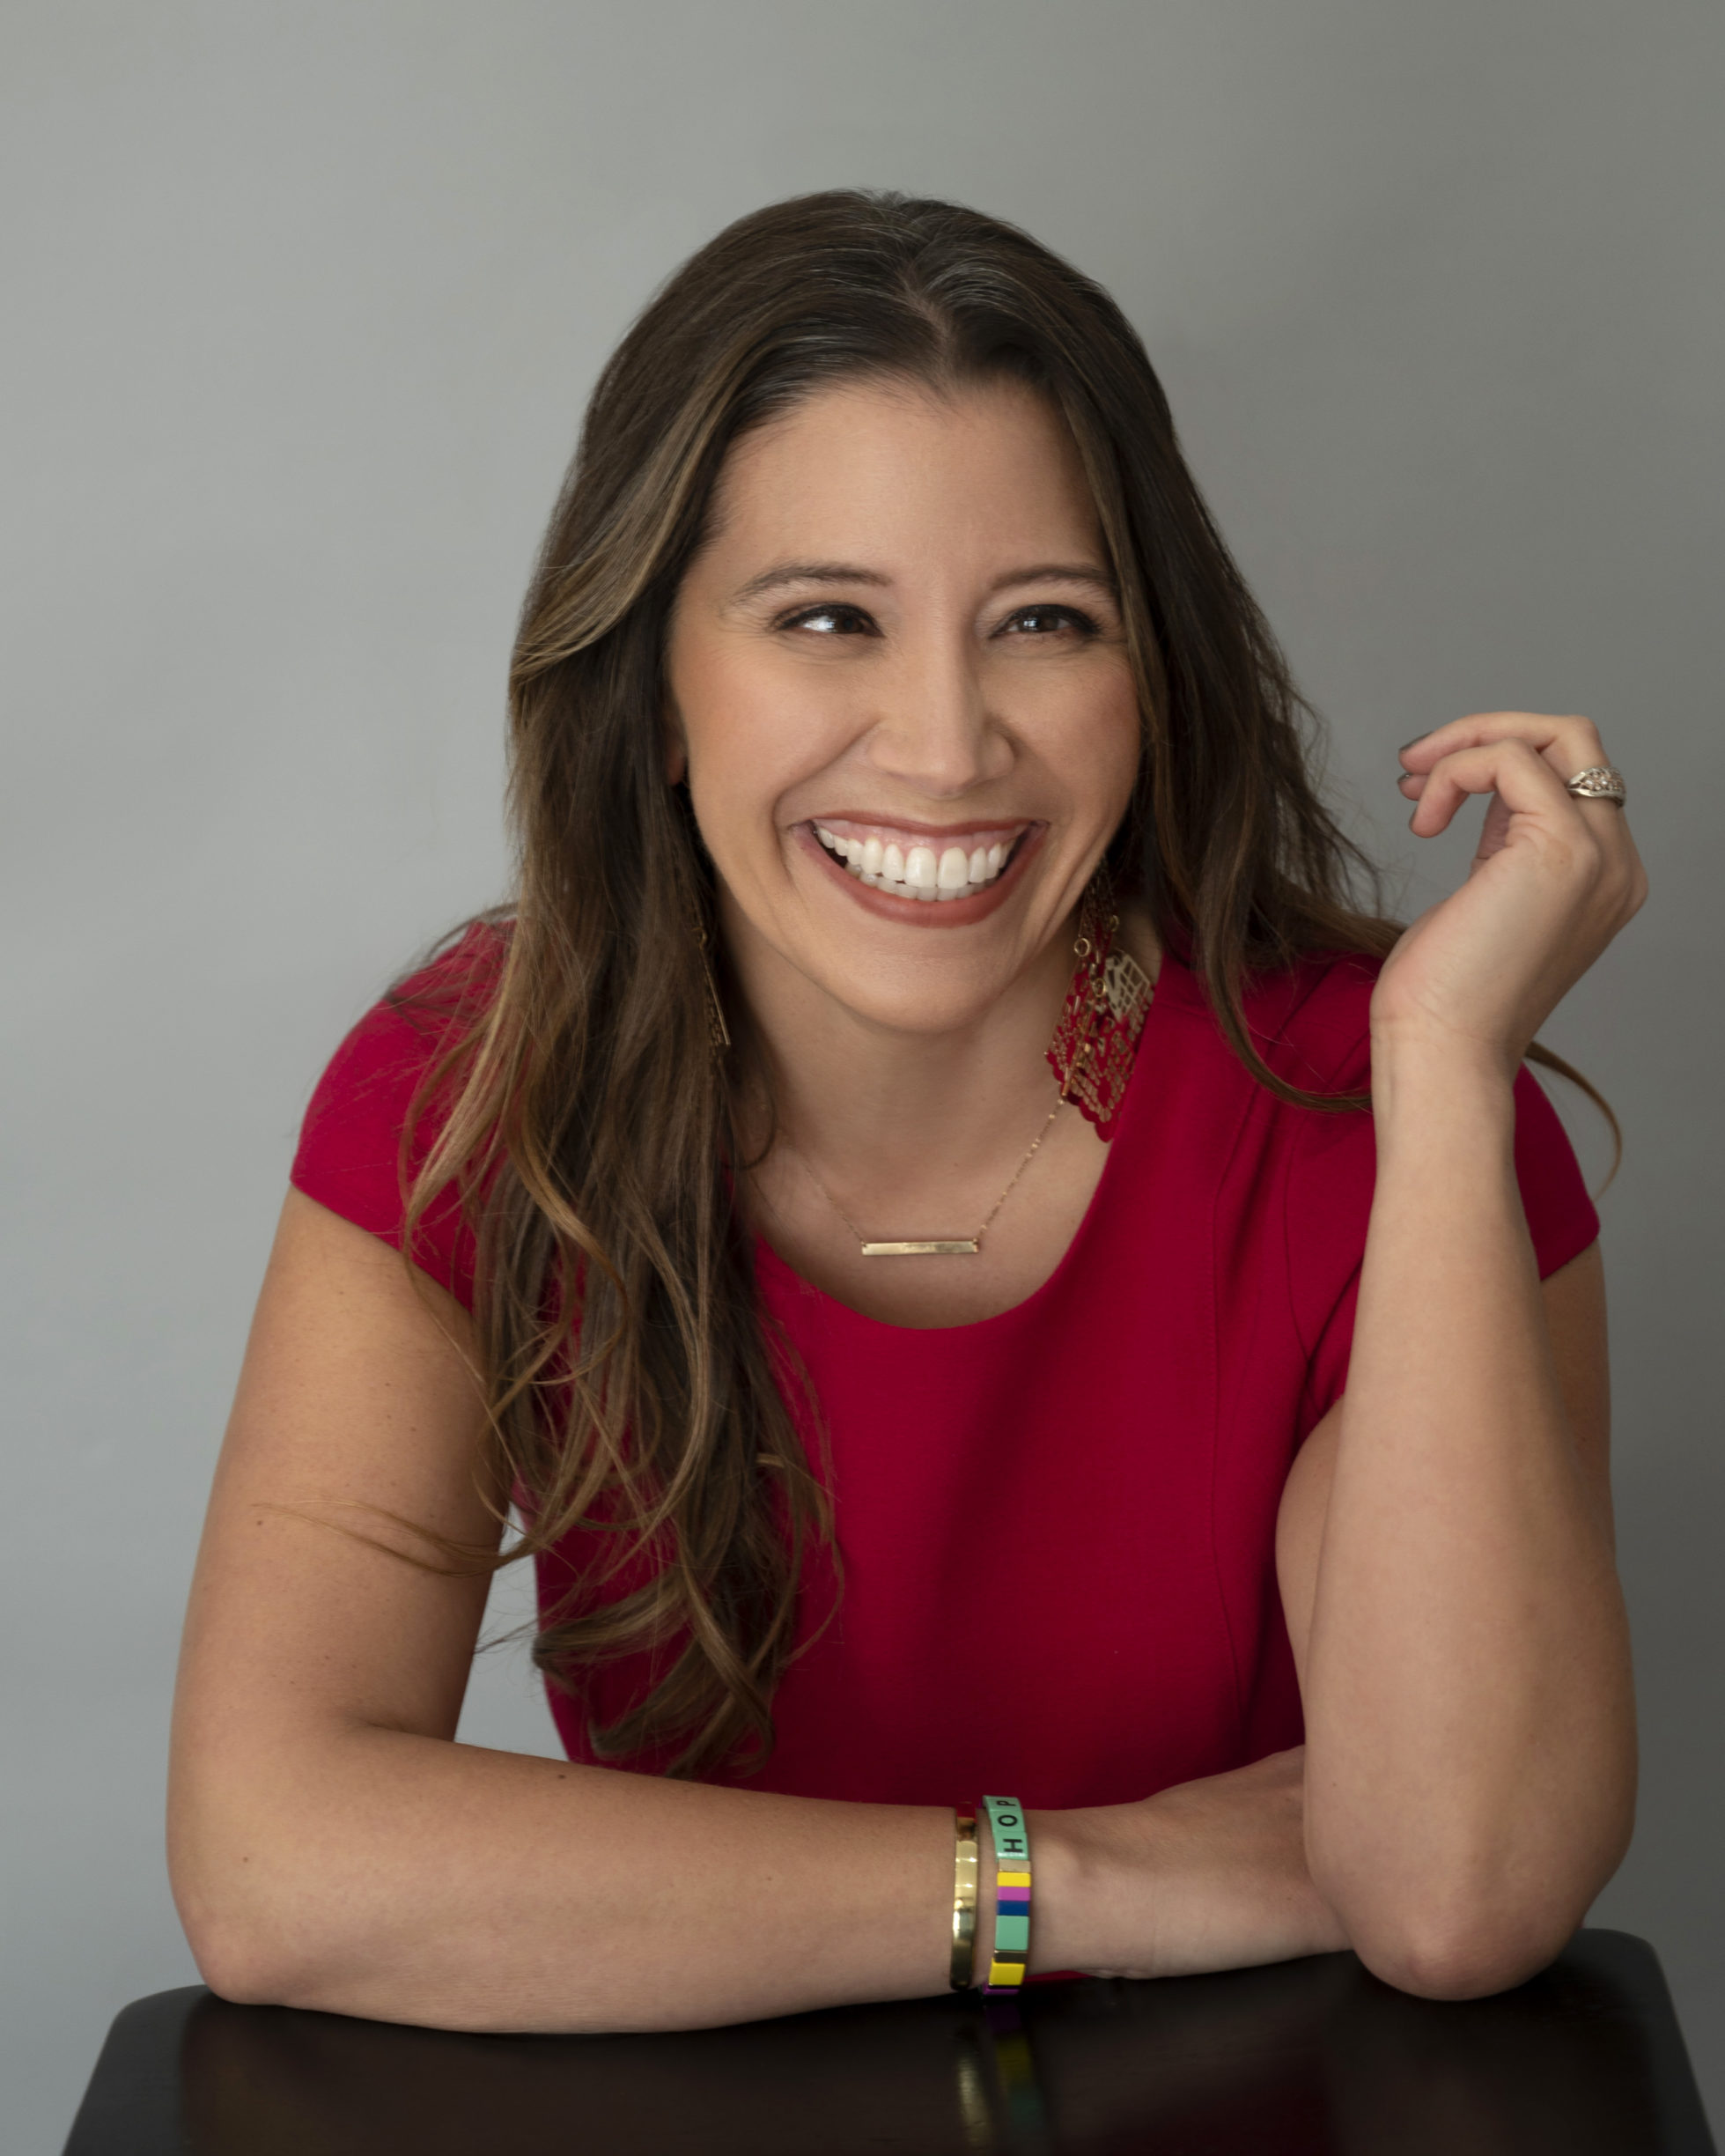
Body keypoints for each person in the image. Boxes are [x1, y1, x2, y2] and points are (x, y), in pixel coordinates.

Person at [167, 190, 1645, 2034]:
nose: (943, 744)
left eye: (1041, 618)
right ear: (655, 678)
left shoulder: (1368, 1105)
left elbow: (1452, 1888)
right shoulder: (469, 1098)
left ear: (1148, 672)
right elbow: (270, 1860)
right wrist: (1073, 1876)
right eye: (824, 617)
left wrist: (1438, 1068)